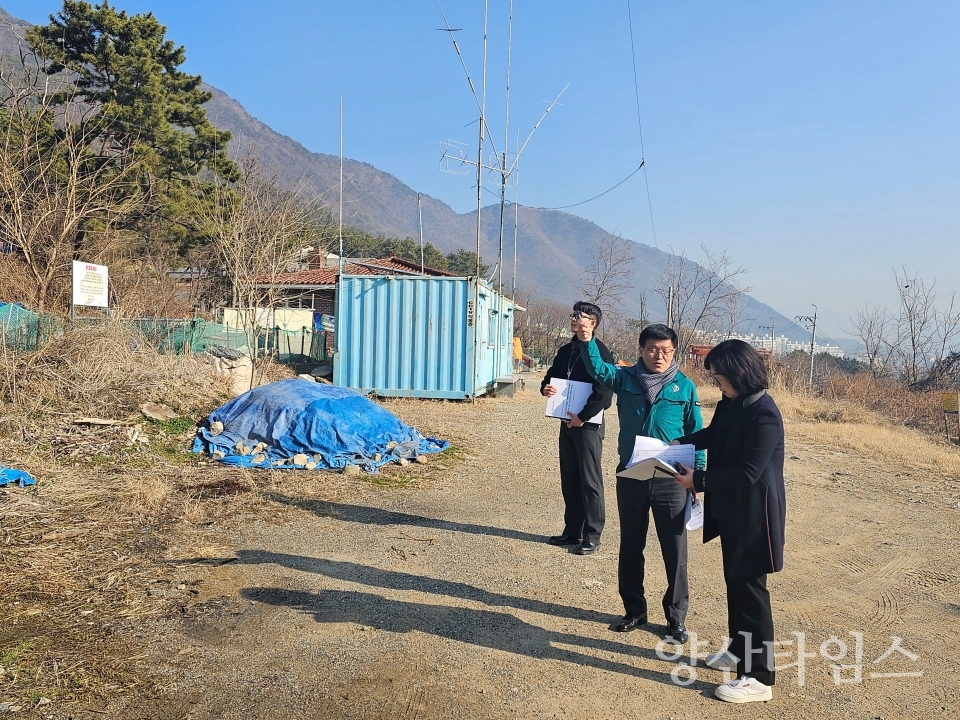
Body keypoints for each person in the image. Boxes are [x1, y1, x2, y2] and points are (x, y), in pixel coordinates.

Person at [673, 339, 786, 704]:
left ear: (739, 374)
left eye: (720, 377)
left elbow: (750, 472)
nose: (716, 384)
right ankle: (739, 651)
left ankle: (759, 678)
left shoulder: (764, 413)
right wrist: (678, 443)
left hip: (756, 517)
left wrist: (699, 481)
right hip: (734, 511)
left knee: (752, 593)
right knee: (735, 584)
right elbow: (714, 436)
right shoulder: (732, 403)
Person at [576, 322, 704, 643]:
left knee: (674, 549)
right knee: (631, 543)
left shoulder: (685, 388)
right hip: (633, 472)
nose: (658, 356)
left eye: (665, 350)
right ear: (641, 350)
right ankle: (634, 609)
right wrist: (587, 340)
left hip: (672, 476)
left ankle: (676, 618)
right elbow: (599, 369)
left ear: (674, 351)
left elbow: (699, 433)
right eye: (651, 349)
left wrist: (697, 476)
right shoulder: (625, 377)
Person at [540, 302, 615, 556]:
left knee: (589, 481)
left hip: (588, 426)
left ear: (592, 323)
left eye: (580, 316)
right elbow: (550, 377)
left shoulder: (601, 352)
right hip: (566, 422)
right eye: (573, 315)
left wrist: (582, 417)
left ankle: (592, 535)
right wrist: (546, 388)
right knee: (570, 479)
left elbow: (605, 393)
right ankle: (572, 531)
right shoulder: (566, 350)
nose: (574, 319)